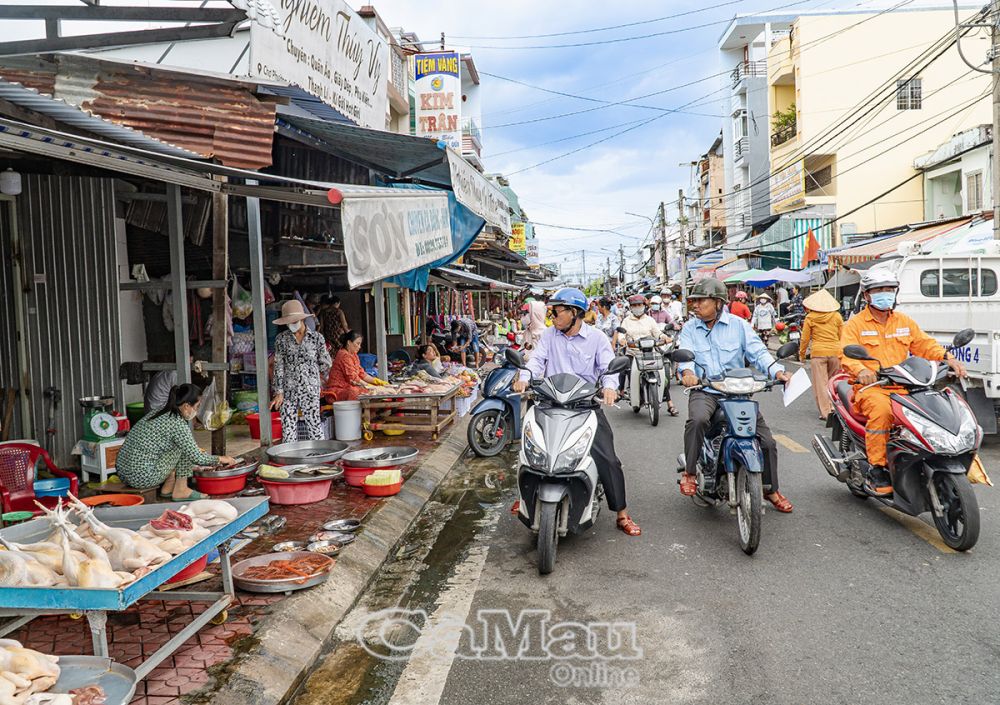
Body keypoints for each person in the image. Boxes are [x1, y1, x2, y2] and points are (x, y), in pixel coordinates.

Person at [511, 288, 641, 536]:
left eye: (556, 312)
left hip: (585, 406)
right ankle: (526, 499)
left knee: (608, 458)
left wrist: (610, 388)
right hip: (549, 404)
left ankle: (621, 513)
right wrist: (524, 377)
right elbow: (536, 361)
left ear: (574, 313)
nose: (552, 317)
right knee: (530, 449)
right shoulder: (549, 336)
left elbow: (609, 369)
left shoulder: (597, 338)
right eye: (551, 311)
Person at [839, 269, 967, 494]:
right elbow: (846, 355)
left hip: (905, 385)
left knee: (933, 407)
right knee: (882, 412)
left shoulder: (904, 321)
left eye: (889, 289)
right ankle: (877, 468)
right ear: (867, 295)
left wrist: (948, 358)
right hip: (871, 388)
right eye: (878, 290)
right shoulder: (855, 325)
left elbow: (924, 344)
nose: (885, 294)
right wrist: (861, 371)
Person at [677, 278, 794, 512]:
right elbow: (686, 359)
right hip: (706, 390)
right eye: (694, 300)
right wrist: (688, 373)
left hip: (738, 393)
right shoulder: (690, 328)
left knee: (768, 442)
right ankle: (690, 472)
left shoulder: (739, 326)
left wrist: (778, 371)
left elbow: (758, 353)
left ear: (718, 302)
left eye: (701, 300)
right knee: (698, 420)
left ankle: (771, 489)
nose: (695, 305)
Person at [116, 384, 237, 500]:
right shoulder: (177, 424)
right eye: (197, 406)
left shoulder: (159, 412)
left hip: (123, 472)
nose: (197, 410)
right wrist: (221, 459)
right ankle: (181, 489)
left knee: (178, 445)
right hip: (142, 477)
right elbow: (197, 457)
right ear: (186, 406)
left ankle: (168, 488)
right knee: (184, 448)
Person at [271, 300, 332, 442]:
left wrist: (328, 383)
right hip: (288, 390)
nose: (292, 324)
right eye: (288, 322)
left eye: (294, 321)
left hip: (310, 389)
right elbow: (278, 366)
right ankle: (290, 460)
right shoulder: (281, 339)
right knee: (288, 430)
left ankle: (319, 459)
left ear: (303, 319)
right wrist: (278, 392)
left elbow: (325, 364)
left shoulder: (316, 338)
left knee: (315, 427)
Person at [620, 294, 677, 416]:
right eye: (634, 305)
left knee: (662, 375)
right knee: (627, 370)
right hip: (633, 353)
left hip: (650, 352)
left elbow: (657, 333)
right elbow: (621, 334)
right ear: (630, 307)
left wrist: (665, 337)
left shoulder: (650, 320)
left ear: (644, 306)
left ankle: (670, 403)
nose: (637, 307)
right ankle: (626, 392)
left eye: (639, 305)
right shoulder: (626, 321)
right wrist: (622, 340)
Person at [798, 289, 844, 421]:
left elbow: (805, 339)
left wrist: (802, 354)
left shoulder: (810, 317)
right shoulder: (836, 316)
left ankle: (826, 412)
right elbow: (842, 336)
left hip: (818, 353)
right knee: (833, 382)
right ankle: (834, 407)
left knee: (821, 384)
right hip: (836, 352)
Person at [327, 330, 382, 401]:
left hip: (348, 387)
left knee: (376, 388)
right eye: (357, 343)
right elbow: (353, 378)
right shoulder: (344, 355)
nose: (359, 347)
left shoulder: (354, 355)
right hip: (337, 391)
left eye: (360, 344)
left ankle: (374, 411)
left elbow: (362, 374)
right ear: (349, 343)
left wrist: (376, 381)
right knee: (358, 391)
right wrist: (368, 386)